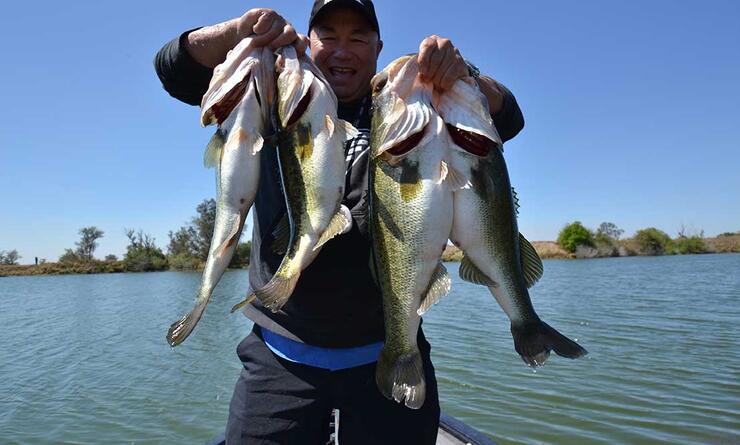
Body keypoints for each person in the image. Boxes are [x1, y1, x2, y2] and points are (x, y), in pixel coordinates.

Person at [154, 1, 524, 443]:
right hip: (280, 355)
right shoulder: (276, 91)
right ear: (310, 42)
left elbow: (508, 117)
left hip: (386, 347)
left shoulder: (402, 102)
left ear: (378, 48)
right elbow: (173, 69)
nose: (342, 50)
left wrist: (462, 73)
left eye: (358, 38)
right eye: (328, 36)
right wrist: (237, 30)